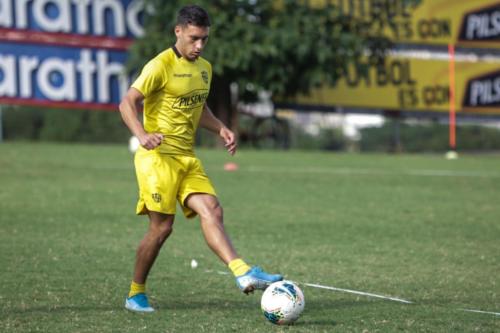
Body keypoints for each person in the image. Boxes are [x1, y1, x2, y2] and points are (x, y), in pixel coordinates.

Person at [119, 5, 283, 313]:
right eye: (194, 38)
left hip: (186, 156)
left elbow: (198, 107)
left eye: (204, 39)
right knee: (162, 228)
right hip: (157, 158)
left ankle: (241, 271)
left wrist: (220, 127)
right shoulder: (160, 65)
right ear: (178, 31)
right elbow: (127, 102)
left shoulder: (204, 68)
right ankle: (135, 294)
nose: (199, 46)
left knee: (212, 209)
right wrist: (141, 134)